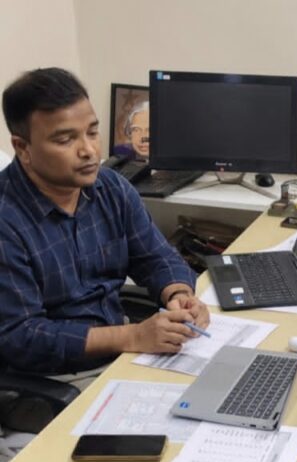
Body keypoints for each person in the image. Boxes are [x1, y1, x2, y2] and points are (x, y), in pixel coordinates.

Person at [0, 67, 209, 377]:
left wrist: (178, 295)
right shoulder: (7, 221)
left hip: (121, 353)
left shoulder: (110, 187)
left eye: (92, 132)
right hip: (53, 379)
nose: (88, 150)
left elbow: (156, 257)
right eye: (65, 140)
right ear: (23, 148)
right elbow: (22, 337)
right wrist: (132, 336)